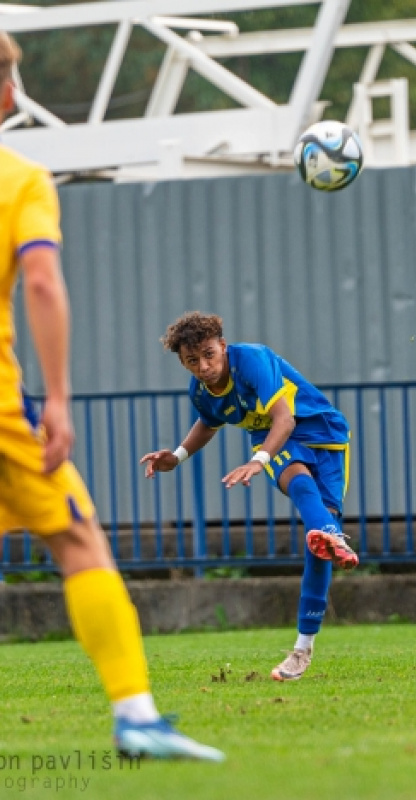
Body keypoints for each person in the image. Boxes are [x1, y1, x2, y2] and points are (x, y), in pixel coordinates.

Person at [0, 33, 223, 761]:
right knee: (77, 539)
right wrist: (57, 397)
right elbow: (40, 279)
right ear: (8, 94)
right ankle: (135, 716)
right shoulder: (20, 180)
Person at [140, 311, 359, 681]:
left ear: (223, 346)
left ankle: (326, 538)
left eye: (209, 354)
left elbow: (285, 419)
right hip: (274, 444)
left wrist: (258, 462)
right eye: (192, 361)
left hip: (323, 434)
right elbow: (210, 421)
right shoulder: (201, 391)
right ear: (182, 361)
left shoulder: (252, 360)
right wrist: (176, 457)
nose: (204, 366)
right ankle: (301, 651)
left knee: (317, 540)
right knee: (304, 495)